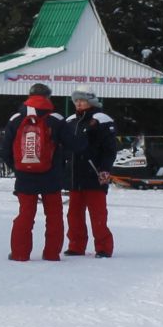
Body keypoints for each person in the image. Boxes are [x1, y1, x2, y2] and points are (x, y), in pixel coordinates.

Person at [0, 82, 78, 261]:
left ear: (29, 96)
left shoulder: (16, 118)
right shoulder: (56, 119)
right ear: (48, 97)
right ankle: (51, 254)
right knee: (54, 215)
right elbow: (74, 144)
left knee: (25, 215)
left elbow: (5, 150)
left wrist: (19, 167)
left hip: (25, 177)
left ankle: (20, 253)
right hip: (51, 175)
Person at [62, 88, 116, 257]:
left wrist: (105, 169)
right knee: (74, 214)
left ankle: (103, 247)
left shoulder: (102, 120)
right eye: (76, 100)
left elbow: (109, 149)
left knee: (98, 214)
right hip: (74, 175)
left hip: (95, 174)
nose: (78, 103)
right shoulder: (70, 121)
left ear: (91, 101)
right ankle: (76, 245)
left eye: (82, 100)